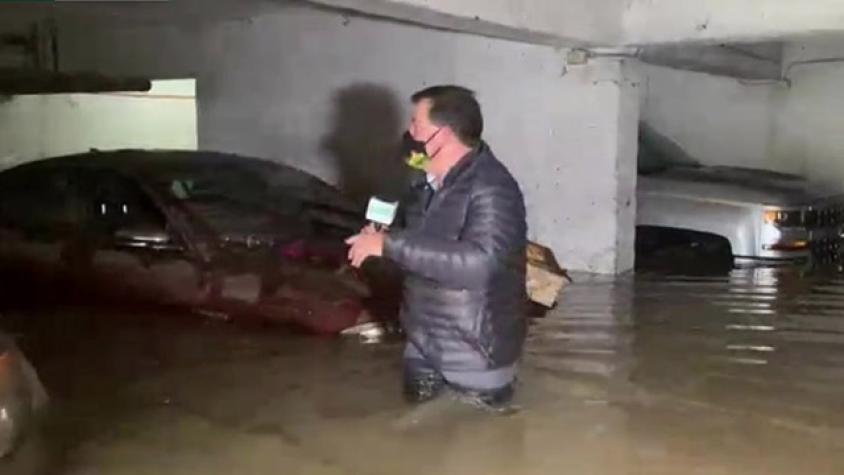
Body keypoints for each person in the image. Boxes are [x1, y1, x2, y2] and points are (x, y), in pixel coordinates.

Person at [346, 85, 527, 409]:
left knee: (483, 451)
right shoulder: (423, 176)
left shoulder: (493, 188)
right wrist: (378, 237)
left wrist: (389, 244)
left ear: (441, 134)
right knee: (418, 448)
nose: (408, 130)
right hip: (422, 341)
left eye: (416, 122)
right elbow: (414, 244)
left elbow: (480, 266)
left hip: (473, 354)